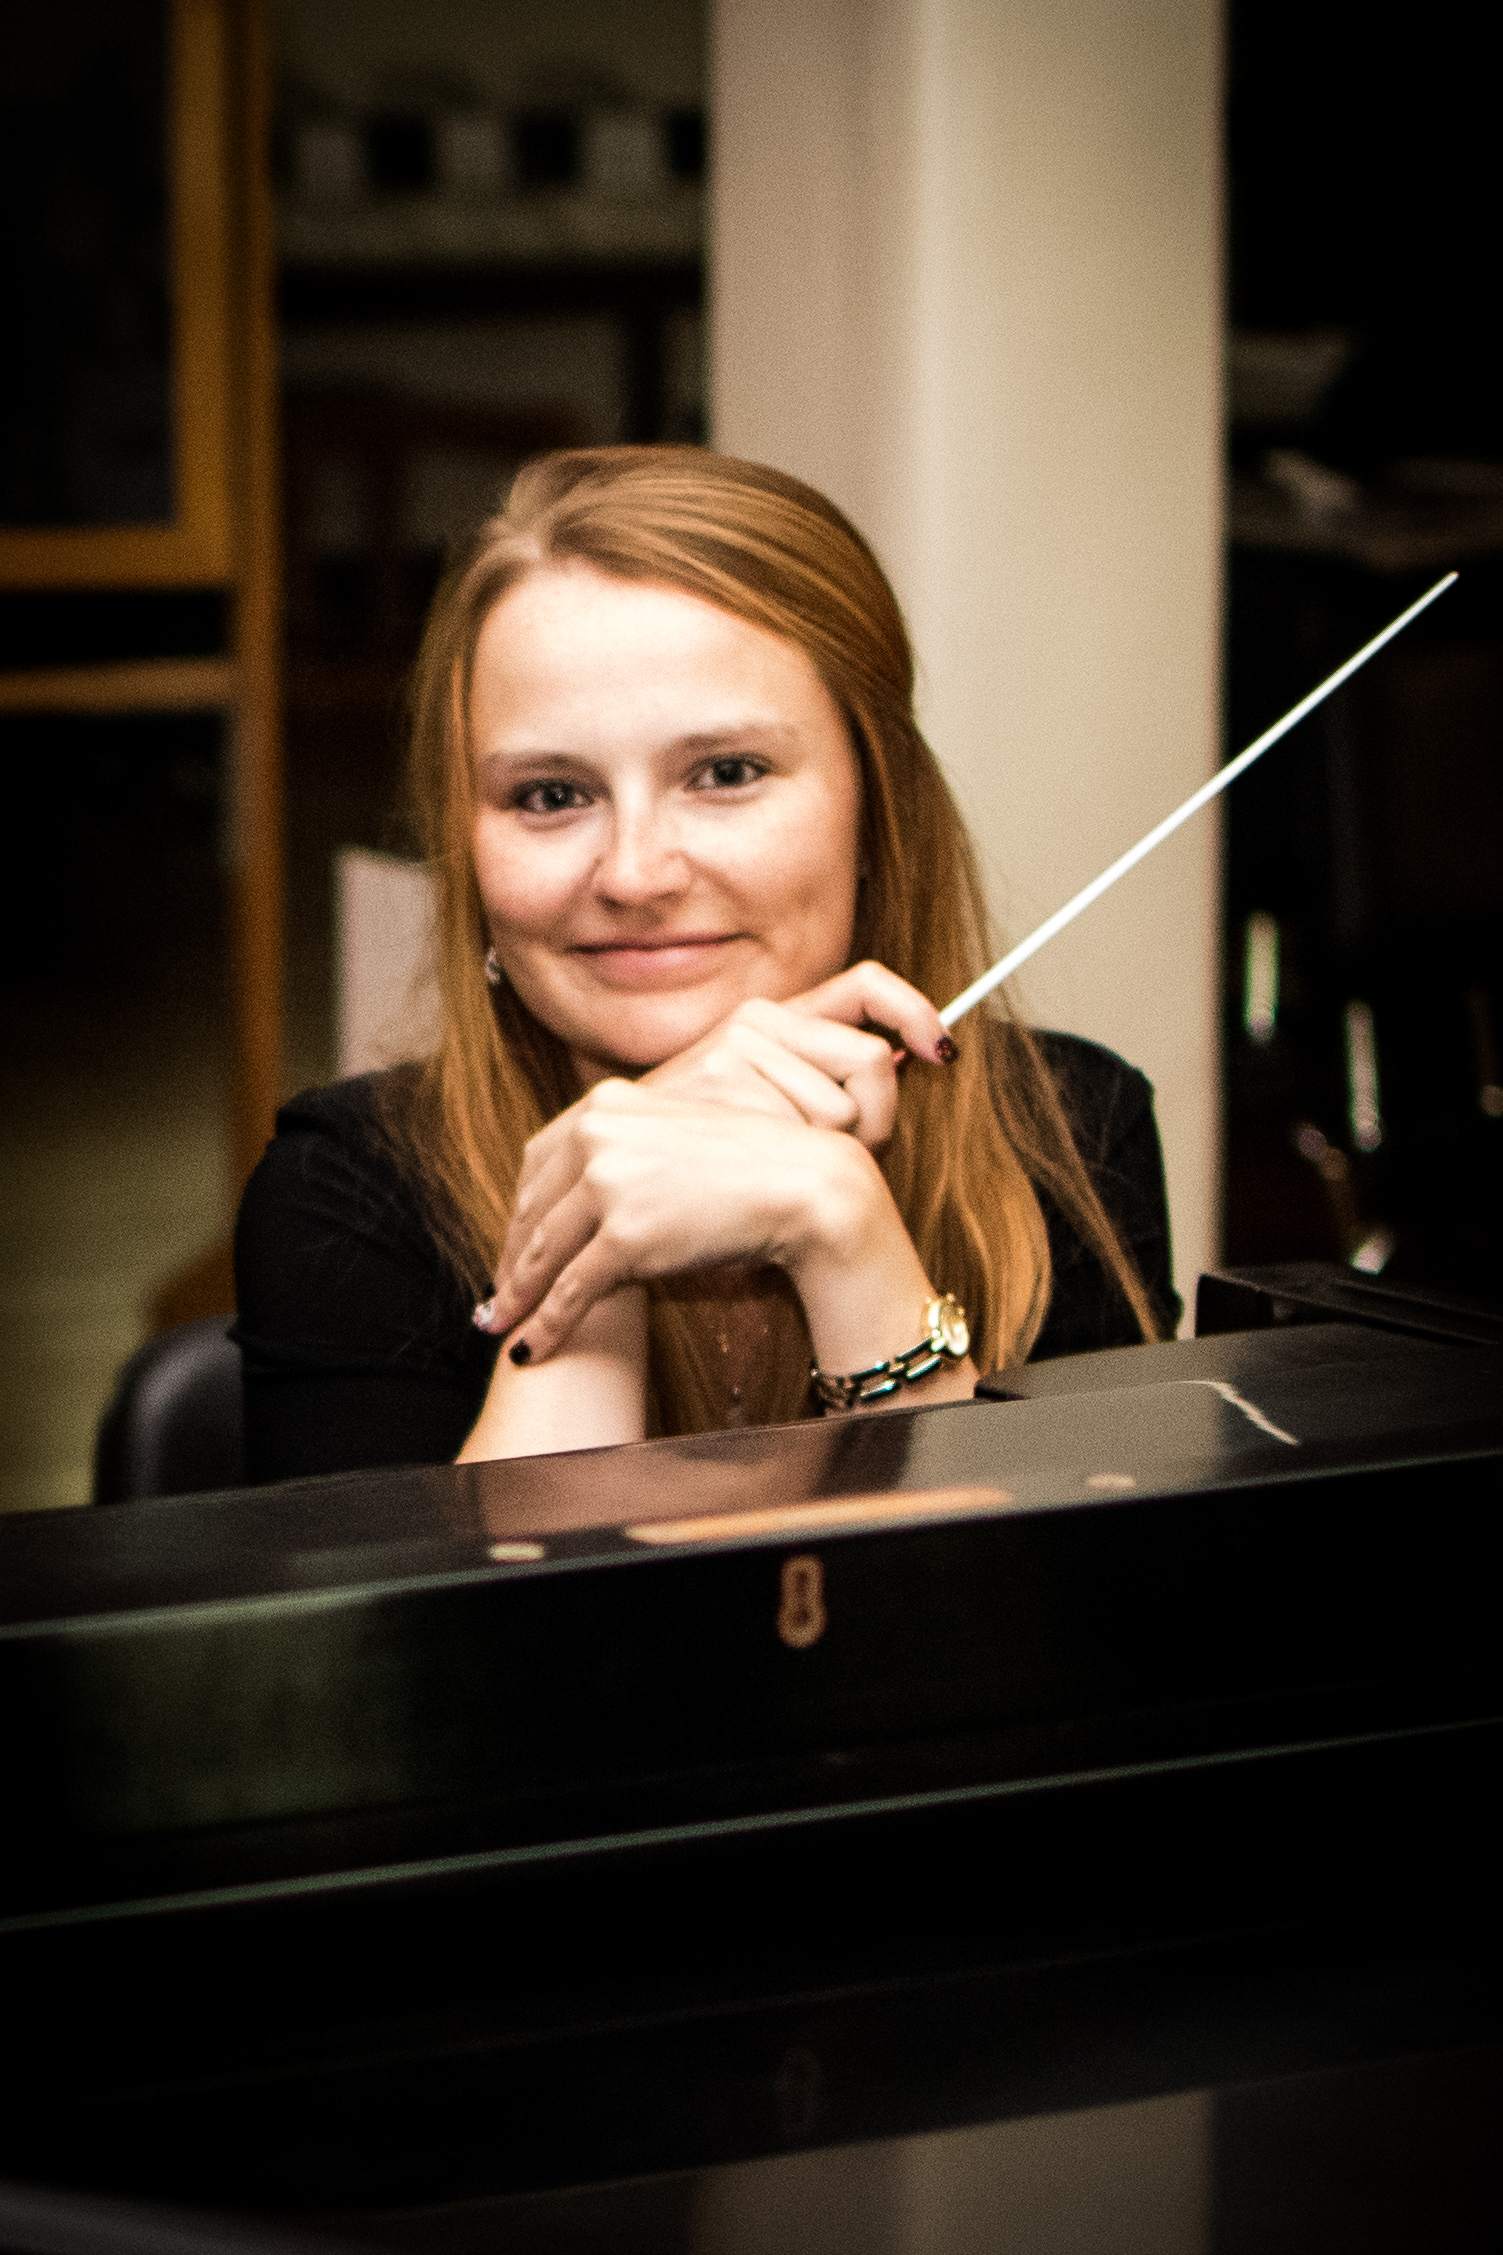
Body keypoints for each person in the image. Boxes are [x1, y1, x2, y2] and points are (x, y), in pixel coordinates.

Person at [234, 448, 1179, 1481]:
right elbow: (504, 1641)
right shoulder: (348, 1190)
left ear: (878, 810)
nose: (635, 874)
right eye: (550, 794)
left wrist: (843, 1231)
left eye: (725, 773)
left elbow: (1024, 1631)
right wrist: (603, 1221)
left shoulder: (1067, 1135)